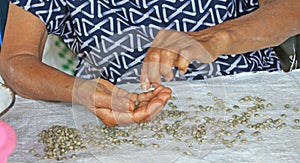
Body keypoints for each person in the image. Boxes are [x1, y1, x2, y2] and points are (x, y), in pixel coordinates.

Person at [0, 0, 299, 126]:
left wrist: (215, 38)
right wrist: (78, 90)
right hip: (117, 113)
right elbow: (16, 60)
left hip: (243, 101)